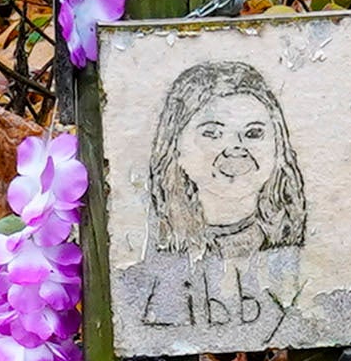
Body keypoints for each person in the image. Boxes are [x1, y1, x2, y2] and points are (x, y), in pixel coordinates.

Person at [117, 60, 307, 345]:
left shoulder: (301, 260)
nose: (235, 148)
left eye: (254, 133)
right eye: (212, 133)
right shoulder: (142, 274)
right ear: (175, 147)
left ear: (278, 146)